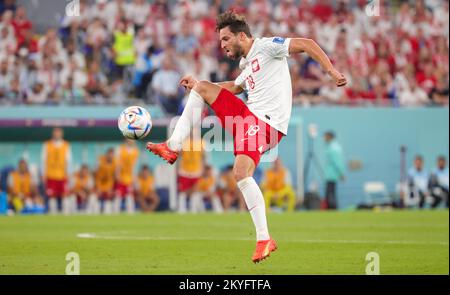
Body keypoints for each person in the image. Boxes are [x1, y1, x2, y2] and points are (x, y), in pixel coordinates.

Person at [146, 12, 347, 263]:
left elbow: (306, 44)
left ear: (243, 35)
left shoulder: (266, 46)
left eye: (226, 39)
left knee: (241, 172)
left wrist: (331, 72)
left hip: (266, 123)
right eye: (220, 41)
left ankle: (264, 238)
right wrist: (199, 85)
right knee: (204, 87)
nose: (223, 45)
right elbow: (236, 87)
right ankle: (173, 146)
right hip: (249, 117)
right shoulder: (246, 64)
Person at [41, 127, 72, 214]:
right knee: (52, 196)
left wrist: (68, 173)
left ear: (62, 134)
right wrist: (43, 173)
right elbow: (43, 160)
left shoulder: (66, 145)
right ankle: (53, 214)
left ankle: (66, 213)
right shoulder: (47, 144)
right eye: (55, 132)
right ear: (53, 134)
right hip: (51, 175)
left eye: (59, 133)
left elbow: (68, 160)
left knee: (65, 195)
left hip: (62, 174)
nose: (57, 134)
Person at [177, 128, 205, 213]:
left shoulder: (201, 142)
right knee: (183, 191)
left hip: (196, 171)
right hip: (185, 171)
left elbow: (203, 157)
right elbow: (179, 156)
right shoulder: (184, 142)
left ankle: (193, 209)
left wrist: (202, 168)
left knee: (195, 190)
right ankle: (182, 209)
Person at [115, 139, 139, 214]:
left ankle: (130, 212)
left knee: (129, 195)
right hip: (121, 176)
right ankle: (116, 212)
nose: (132, 140)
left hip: (130, 177)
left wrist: (135, 177)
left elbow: (135, 165)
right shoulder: (120, 149)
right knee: (118, 195)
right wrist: (117, 174)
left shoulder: (136, 151)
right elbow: (117, 163)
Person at [323, 131, 345, 210]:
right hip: (330, 174)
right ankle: (331, 208)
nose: (324, 138)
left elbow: (337, 162)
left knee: (330, 194)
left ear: (330, 137)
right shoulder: (332, 146)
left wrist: (341, 173)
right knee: (330, 193)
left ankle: (332, 209)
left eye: (325, 136)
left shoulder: (333, 148)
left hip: (332, 175)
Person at [95, 148, 116, 214]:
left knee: (109, 196)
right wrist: (97, 187)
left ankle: (109, 212)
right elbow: (95, 172)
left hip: (108, 183)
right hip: (99, 182)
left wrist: (111, 188)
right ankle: (94, 212)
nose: (110, 156)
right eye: (109, 154)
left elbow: (114, 176)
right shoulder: (100, 160)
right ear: (106, 154)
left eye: (112, 155)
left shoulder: (115, 162)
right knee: (95, 196)